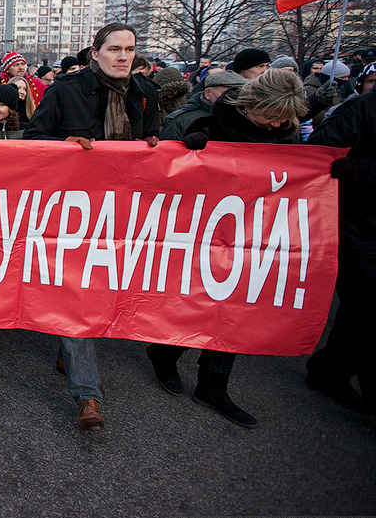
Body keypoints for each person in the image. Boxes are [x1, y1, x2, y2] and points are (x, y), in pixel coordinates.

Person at [147, 69, 307, 427]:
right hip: (208, 230)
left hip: (257, 234)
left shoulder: (286, 132)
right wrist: (194, 146)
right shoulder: (213, 122)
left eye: (283, 118)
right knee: (201, 299)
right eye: (271, 116)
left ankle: (213, 385)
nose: (275, 124)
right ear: (251, 106)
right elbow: (179, 176)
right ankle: (166, 351)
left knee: (238, 307)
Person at [24, 23, 160, 430]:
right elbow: (34, 139)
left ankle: (72, 350)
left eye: (130, 50)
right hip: (72, 212)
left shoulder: (144, 94)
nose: (123, 57)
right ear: (96, 52)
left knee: (108, 290)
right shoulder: (65, 91)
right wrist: (61, 147)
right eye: (115, 49)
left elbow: (155, 145)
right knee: (77, 298)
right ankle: (88, 396)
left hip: (124, 213)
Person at [306, 87, 375, 415]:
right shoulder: (364, 108)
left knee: (362, 312)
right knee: (366, 311)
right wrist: (360, 171)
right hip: (359, 225)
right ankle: (330, 372)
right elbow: (321, 152)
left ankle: (330, 369)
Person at [160, 71, 245, 140]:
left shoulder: (249, 118)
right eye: (229, 93)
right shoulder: (181, 120)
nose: (236, 98)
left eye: (241, 94)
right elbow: (168, 155)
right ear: (208, 93)